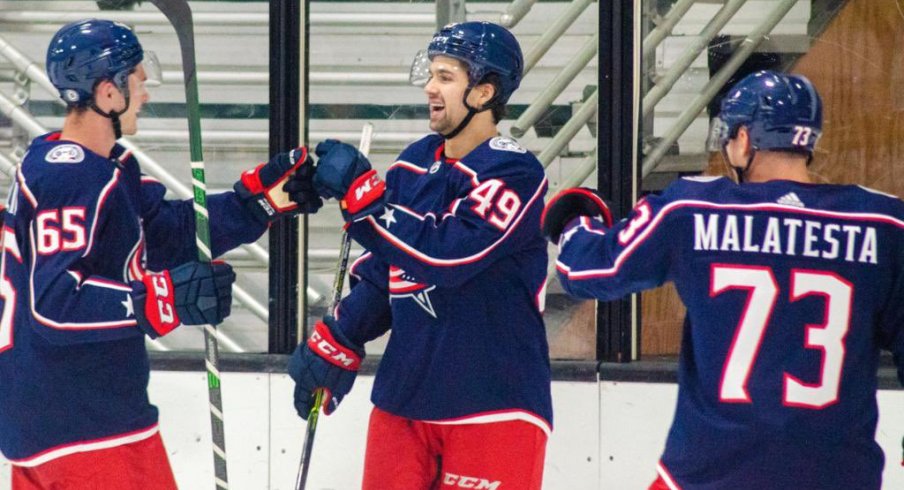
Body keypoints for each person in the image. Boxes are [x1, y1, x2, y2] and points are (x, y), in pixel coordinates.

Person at [541, 70, 904, 489]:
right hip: (838, 473)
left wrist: (574, 223)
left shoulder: (691, 209)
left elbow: (589, 273)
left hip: (711, 469)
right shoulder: (883, 224)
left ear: (745, 139)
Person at [0, 19, 321, 489]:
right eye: (137, 78)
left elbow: (167, 232)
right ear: (107, 92)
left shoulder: (100, 166)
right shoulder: (70, 178)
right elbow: (55, 303)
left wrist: (259, 204)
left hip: (70, 417)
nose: (145, 91)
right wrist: (160, 298)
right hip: (84, 426)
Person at [288, 21, 552, 489]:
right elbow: (385, 273)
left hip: (492, 406)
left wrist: (364, 204)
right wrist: (341, 338)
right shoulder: (413, 164)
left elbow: (449, 256)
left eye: (446, 77)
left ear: (485, 91)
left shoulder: (514, 171)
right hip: (403, 403)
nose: (430, 87)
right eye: (431, 74)